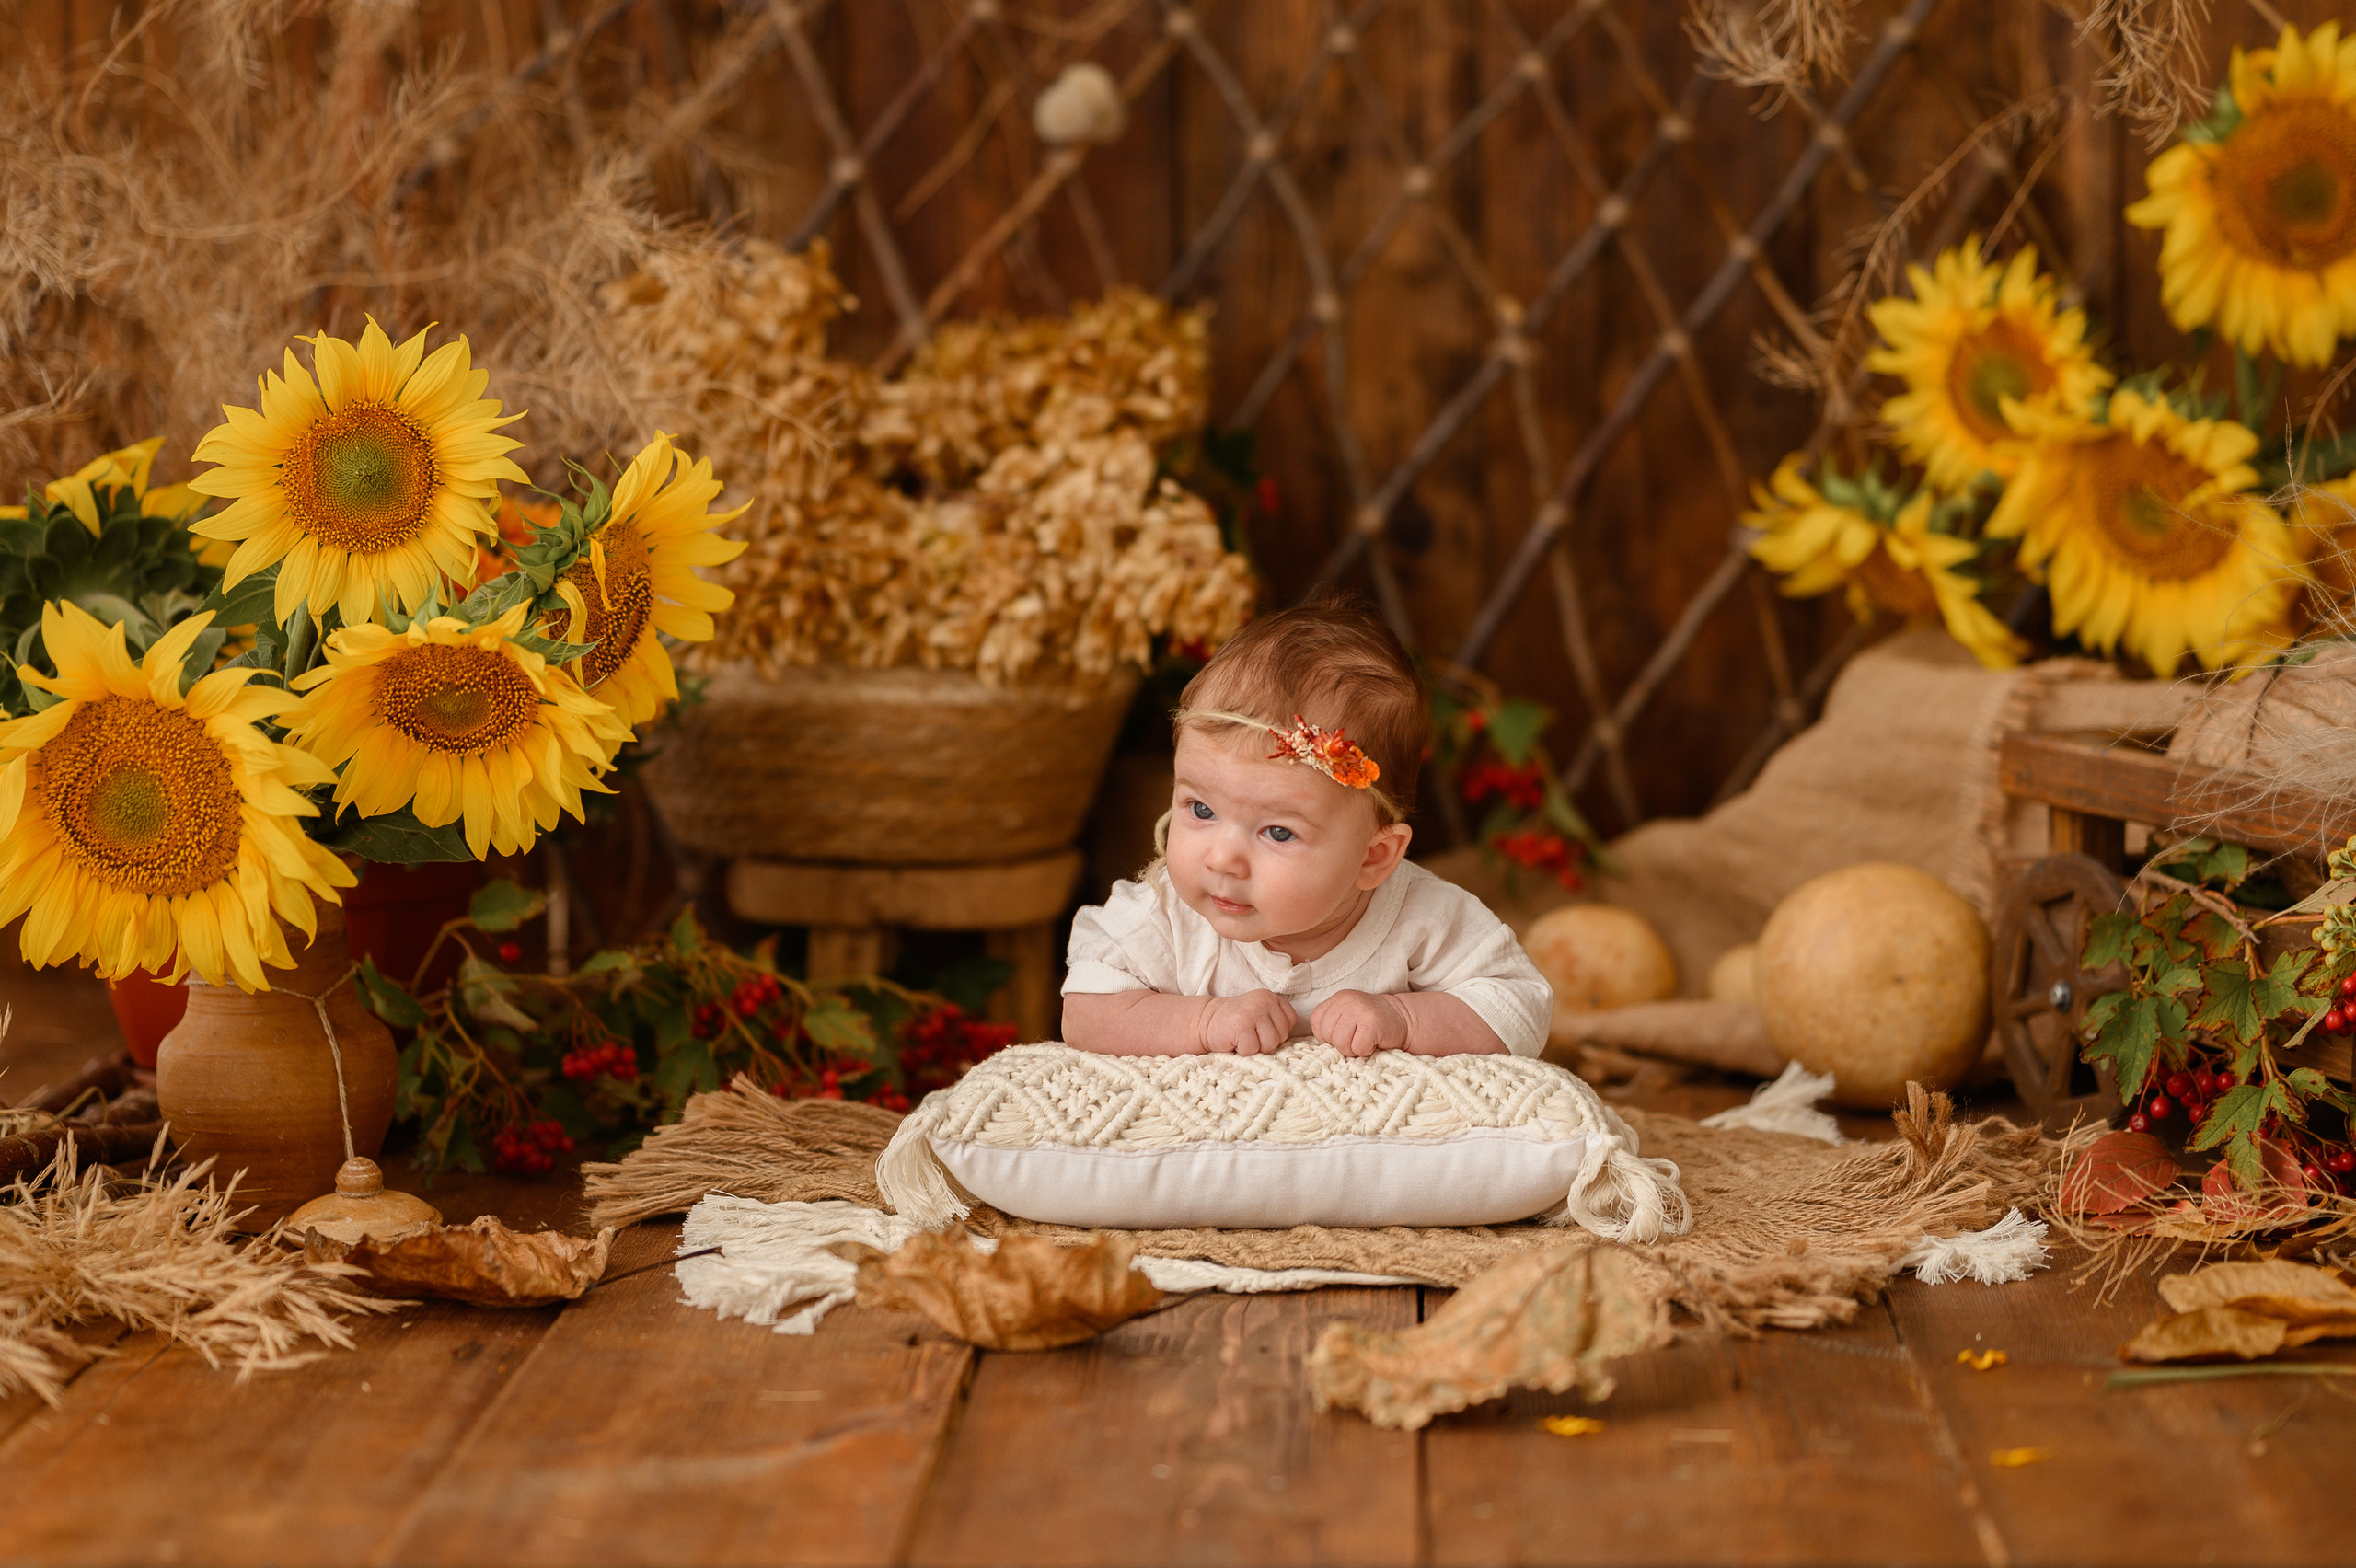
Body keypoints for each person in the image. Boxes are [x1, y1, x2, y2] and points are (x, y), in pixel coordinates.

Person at [1060, 594, 1553, 1058]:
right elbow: (1085, 1010)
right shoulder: (1167, 916)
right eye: (1201, 810)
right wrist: (1206, 1021)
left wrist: (1403, 1017)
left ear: (1373, 857)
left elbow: (1519, 1008)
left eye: (1278, 832)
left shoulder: (1423, 920)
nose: (1221, 858)